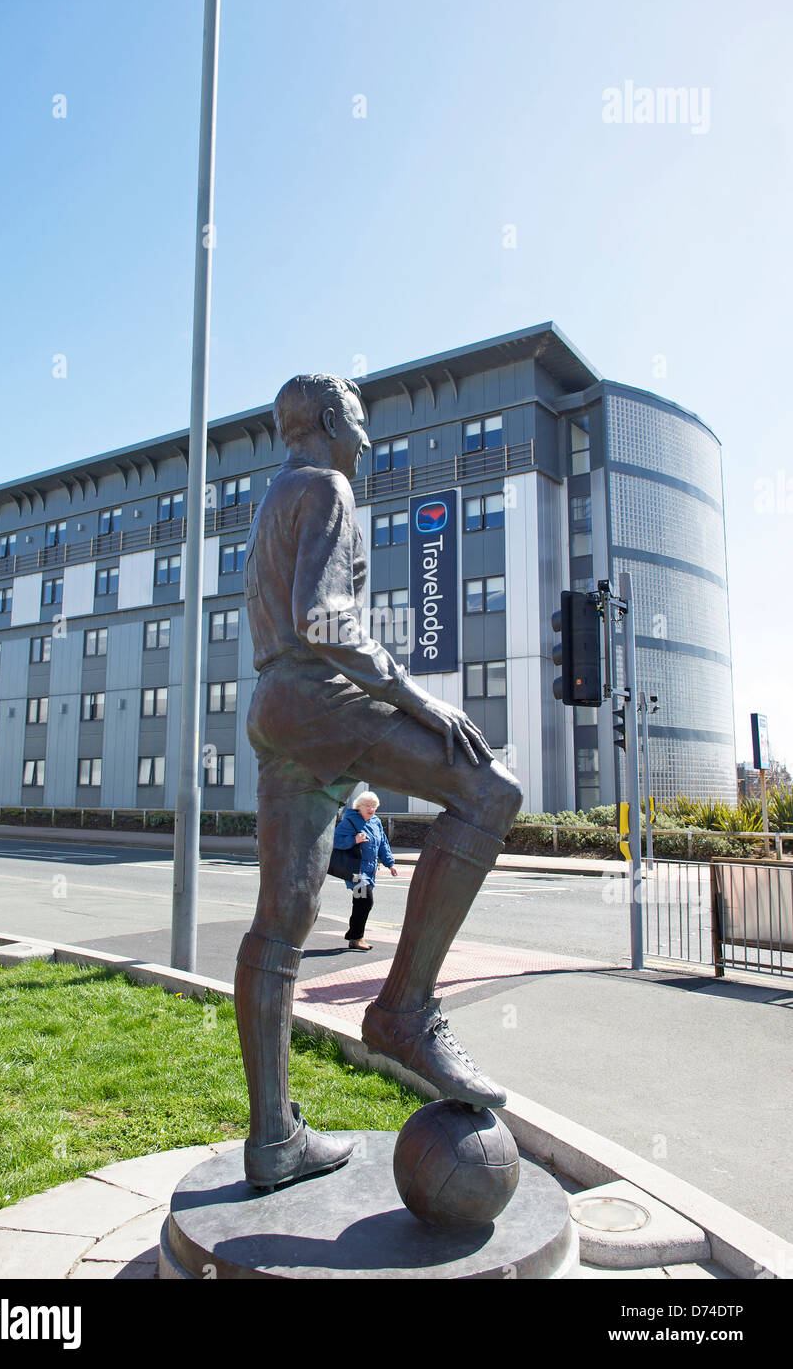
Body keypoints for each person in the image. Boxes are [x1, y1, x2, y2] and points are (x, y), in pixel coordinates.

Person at [235, 372, 522, 1190]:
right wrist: (413, 693)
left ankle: (273, 1142)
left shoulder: (270, 499)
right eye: (358, 424)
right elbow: (324, 618)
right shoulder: (324, 485)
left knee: (280, 923)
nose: (365, 440)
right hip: (321, 696)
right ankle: (403, 1011)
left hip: (274, 706)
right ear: (329, 420)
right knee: (490, 791)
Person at [333, 791, 398, 950]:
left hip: (369, 871)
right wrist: (353, 840)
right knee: (365, 901)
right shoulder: (350, 822)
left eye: (374, 806)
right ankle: (356, 937)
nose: (371, 809)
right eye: (367, 806)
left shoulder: (375, 822)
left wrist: (390, 863)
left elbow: (383, 843)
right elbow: (334, 840)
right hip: (356, 871)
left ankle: (354, 936)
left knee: (361, 903)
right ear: (359, 807)